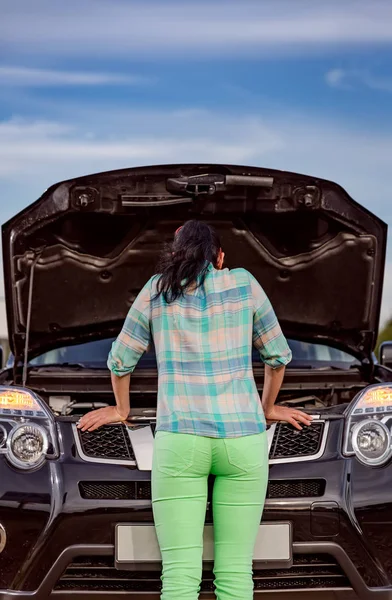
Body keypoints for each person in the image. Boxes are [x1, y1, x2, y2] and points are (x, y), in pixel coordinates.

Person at [78, 220, 311, 600]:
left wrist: (122, 409)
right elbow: (278, 356)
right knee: (236, 574)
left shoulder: (157, 290)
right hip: (243, 443)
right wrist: (266, 407)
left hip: (180, 443)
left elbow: (120, 361)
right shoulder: (243, 283)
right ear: (220, 257)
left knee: (180, 579)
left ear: (176, 255)